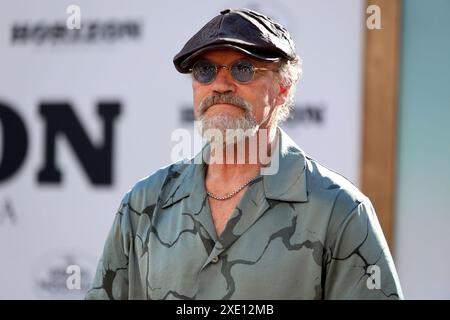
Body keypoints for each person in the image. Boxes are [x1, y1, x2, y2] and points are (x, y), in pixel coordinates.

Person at [86, 8, 403, 300]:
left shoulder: (340, 211)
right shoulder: (143, 205)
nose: (220, 84)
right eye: (205, 70)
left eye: (243, 68)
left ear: (283, 88)